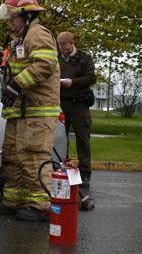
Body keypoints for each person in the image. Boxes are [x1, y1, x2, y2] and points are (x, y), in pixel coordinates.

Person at [0, 0, 61, 222]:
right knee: (12, 157)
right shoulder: (21, 38)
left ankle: (42, 206)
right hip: (20, 111)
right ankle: (15, 201)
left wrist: (16, 86)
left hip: (37, 111)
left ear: (27, 15)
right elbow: (13, 64)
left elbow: (45, 65)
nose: (10, 20)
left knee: (33, 157)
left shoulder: (38, 34)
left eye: (14, 16)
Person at [57, 31, 97, 188]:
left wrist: (73, 82)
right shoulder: (58, 59)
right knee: (61, 139)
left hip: (79, 104)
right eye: (61, 48)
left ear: (72, 43)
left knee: (82, 139)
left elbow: (91, 78)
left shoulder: (84, 58)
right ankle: (64, 168)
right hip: (62, 102)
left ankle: (85, 173)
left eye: (66, 47)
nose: (64, 51)